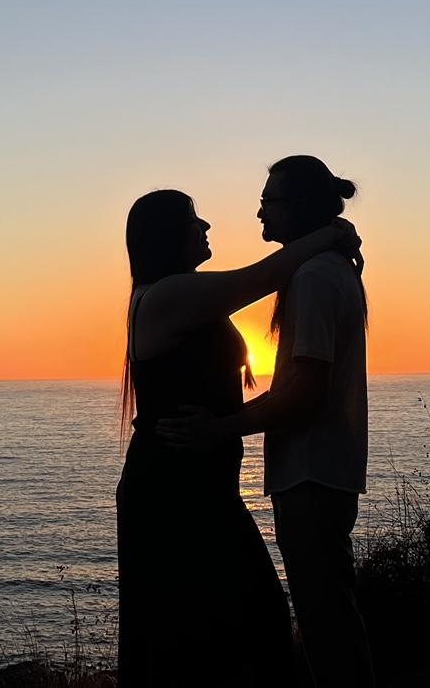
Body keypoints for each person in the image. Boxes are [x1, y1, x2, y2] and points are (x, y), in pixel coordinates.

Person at [116, 187, 362, 688]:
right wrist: (332, 232)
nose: (205, 226)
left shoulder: (184, 293)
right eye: (192, 220)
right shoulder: (168, 295)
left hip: (198, 486)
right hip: (172, 489)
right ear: (166, 236)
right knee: (231, 624)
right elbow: (265, 277)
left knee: (223, 630)